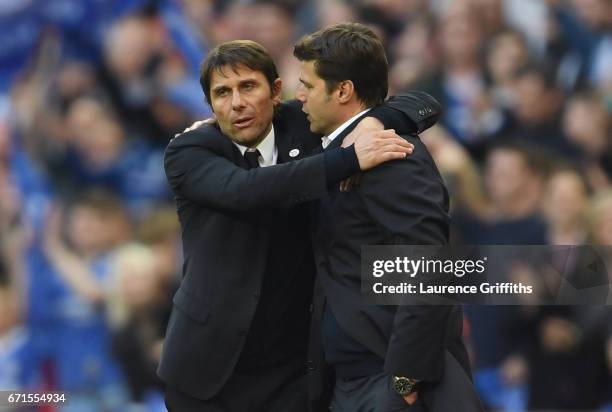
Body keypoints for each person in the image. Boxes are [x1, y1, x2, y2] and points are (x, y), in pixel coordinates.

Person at [159, 38, 437, 412]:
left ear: (275, 91)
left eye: (248, 87)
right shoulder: (190, 150)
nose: (237, 102)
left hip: (293, 371)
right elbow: (245, 191)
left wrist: (374, 121)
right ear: (210, 105)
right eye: (222, 93)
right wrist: (349, 158)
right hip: (205, 370)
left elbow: (423, 105)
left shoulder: (305, 123)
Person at [293, 23, 483, 411]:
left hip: (386, 382)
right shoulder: (331, 144)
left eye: (308, 86)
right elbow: (419, 102)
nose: (299, 97)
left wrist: (405, 375)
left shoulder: (392, 156)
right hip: (346, 378)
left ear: (343, 90)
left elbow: (429, 263)